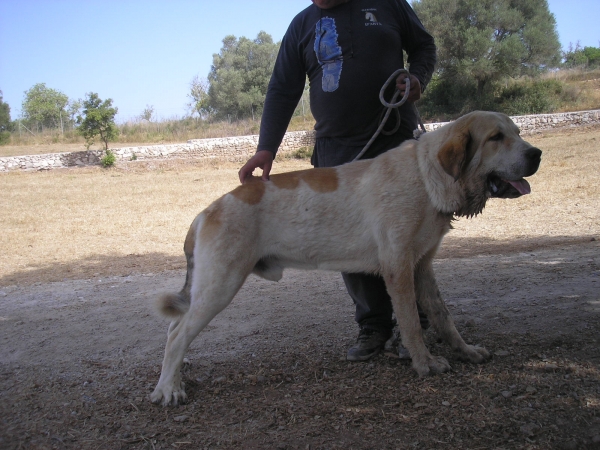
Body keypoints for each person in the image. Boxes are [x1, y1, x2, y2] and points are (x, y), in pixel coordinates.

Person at [239, 0, 436, 361]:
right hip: (336, 151)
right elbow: (283, 88)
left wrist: (418, 76)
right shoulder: (301, 25)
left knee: (405, 241)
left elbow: (424, 46)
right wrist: (266, 148)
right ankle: (374, 326)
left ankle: (418, 328)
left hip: (396, 143)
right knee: (350, 243)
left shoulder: (388, 4)